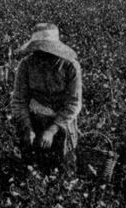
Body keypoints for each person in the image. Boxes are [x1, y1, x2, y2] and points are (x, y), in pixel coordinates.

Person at [11, 23, 83, 172]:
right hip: (34, 119)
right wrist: (27, 128)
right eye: (39, 50)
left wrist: (51, 130)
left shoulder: (70, 66)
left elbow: (73, 104)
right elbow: (19, 100)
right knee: (32, 167)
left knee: (63, 168)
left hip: (61, 123)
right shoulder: (26, 65)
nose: (42, 55)